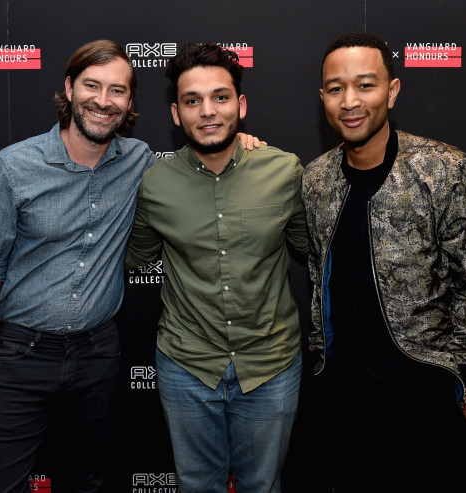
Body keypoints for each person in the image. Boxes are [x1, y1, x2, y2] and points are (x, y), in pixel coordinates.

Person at [0, 39, 261, 493]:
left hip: (98, 355)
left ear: (130, 101)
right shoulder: (13, 167)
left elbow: (201, 161)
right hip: (22, 355)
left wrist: (241, 141)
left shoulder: (140, 162)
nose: (103, 101)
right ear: (69, 88)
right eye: (92, 86)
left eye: (117, 90)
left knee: (87, 482)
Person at [300, 32, 466, 491]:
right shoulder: (315, 180)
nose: (350, 101)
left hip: (427, 403)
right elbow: (319, 277)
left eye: (366, 85)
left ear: (392, 91)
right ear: (323, 98)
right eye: (336, 89)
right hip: (342, 405)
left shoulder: (443, 169)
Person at [125, 43, 309, 493]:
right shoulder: (155, 184)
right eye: (193, 101)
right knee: (196, 486)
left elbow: (315, 248)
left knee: (263, 486)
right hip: (187, 365)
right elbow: (133, 257)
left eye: (220, 97)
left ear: (241, 105)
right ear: (176, 113)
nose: (208, 111)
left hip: (270, 364)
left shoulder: (284, 172)